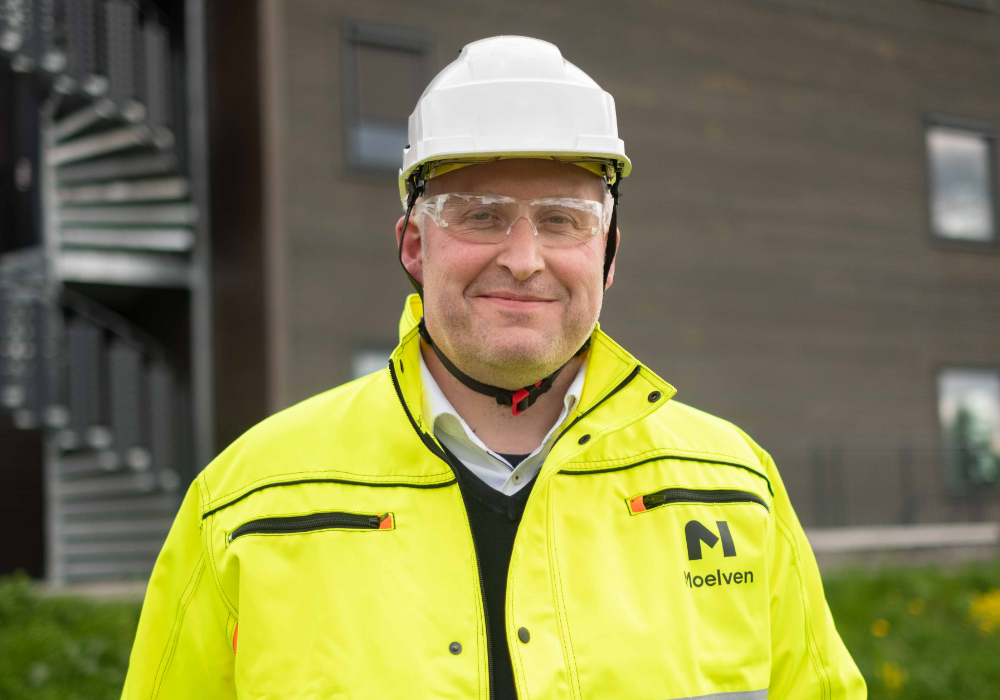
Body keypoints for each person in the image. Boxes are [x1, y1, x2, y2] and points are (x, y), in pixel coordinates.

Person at [121, 36, 865, 700]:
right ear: (415, 246)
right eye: (479, 215)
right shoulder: (246, 504)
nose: (524, 258)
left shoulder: (734, 490)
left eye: (563, 220)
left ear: (607, 256)